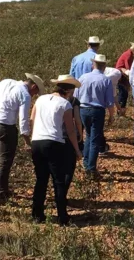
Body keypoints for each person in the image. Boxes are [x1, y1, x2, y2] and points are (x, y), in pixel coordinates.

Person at [30, 75, 82, 225]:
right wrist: (77, 150)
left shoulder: (40, 99)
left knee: (41, 179)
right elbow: (71, 131)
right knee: (58, 181)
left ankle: (37, 214)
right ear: (69, 90)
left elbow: (32, 119)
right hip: (54, 142)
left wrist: (33, 137)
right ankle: (62, 217)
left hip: (37, 141)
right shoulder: (65, 104)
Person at [0, 73, 44, 201]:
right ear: (34, 86)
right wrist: (27, 141)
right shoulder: (24, 95)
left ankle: (4, 189)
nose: (34, 95)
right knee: (5, 160)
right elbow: (23, 120)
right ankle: (2, 192)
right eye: (36, 92)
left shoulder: (6, 82)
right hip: (6, 126)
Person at [74, 54, 115, 177]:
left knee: (88, 135)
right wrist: (111, 115)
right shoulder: (106, 80)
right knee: (94, 139)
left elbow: (76, 96)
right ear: (105, 66)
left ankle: (87, 163)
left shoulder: (83, 77)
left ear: (93, 64)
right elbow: (110, 102)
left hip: (83, 109)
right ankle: (91, 168)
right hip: (97, 110)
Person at [50, 75, 83, 207]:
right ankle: (62, 196)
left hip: (54, 136)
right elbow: (77, 120)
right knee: (69, 168)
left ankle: (58, 194)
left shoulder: (50, 98)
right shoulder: (73, 101)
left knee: (57, 168)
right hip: (68, 137)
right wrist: (80, 134)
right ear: (70, 89)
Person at [115, 42, 134, 117]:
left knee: (124, 93)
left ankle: (121, 112)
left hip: (123, 76)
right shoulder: (128, 55)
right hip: (121, 77)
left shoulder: (129, 54)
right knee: (123, 93)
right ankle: (120, 112)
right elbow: (127, 67)